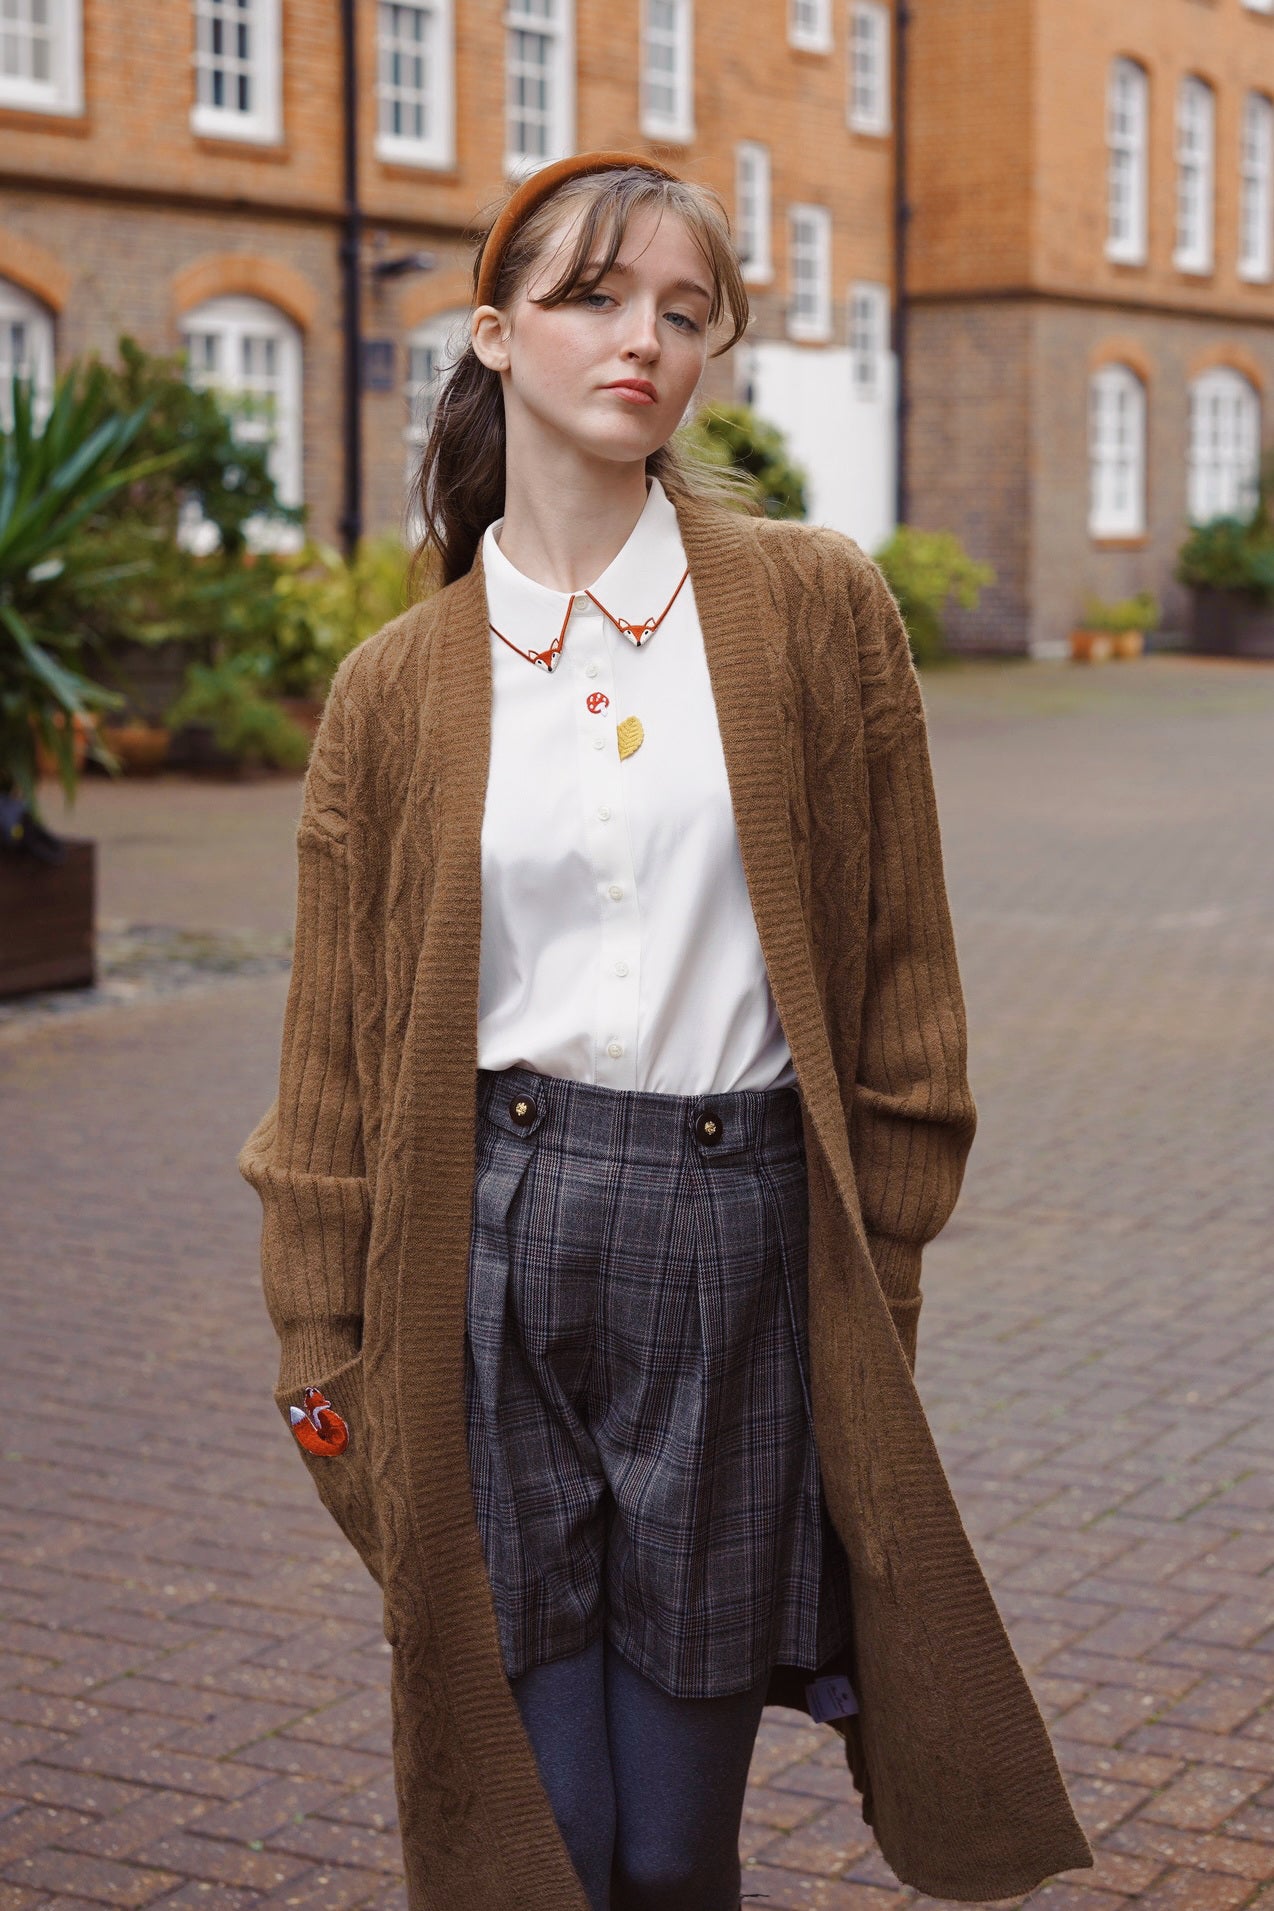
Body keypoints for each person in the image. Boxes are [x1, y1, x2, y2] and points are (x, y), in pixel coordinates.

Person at [239, 152, 1093, 1911]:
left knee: (667, 1851)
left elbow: (899, 990)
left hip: (736, 1236)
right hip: (484, 1242)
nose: (643, 339)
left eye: (682, 312)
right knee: (537, 1834)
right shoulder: (397, 690)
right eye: (592, 298)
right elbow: (326, 1077)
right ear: (490, 334)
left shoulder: (808, 607)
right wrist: (324, 1367)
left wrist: (882, 1265)